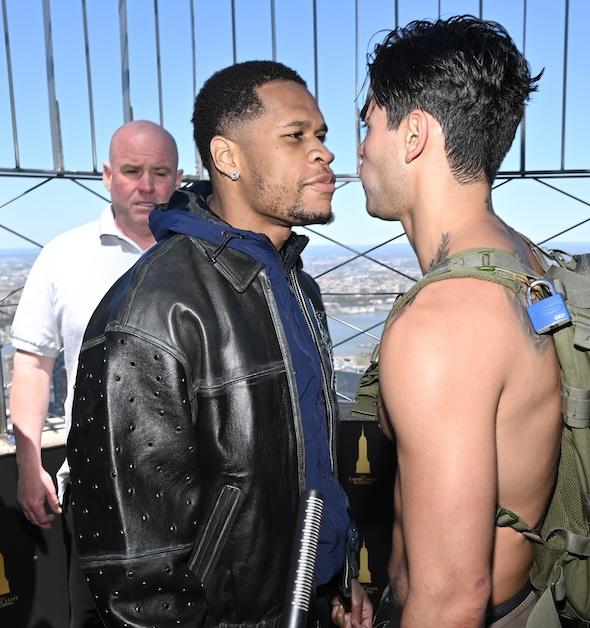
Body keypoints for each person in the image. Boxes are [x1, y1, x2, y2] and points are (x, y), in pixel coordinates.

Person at [66, 60, 372, 627]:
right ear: (227, 157)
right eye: (296, 136)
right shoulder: (151, 309)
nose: (324, 152)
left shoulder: (296, 285)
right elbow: (135, 565)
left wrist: (337, 576)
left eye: (322, 136)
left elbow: (312, 462)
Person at [356, 17, 560, 628]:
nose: (359, 149)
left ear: (413, 133)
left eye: (368, 124)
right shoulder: (524, 261)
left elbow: (451, 596)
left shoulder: (444, 322)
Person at [9, 120, 182, 627]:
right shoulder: (64, 257)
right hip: (97, 495)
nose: (146, 186)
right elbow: (33, 364)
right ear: (107, 175)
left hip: (194, 497)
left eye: (160, 172)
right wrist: (27, 464)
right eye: (132, 171)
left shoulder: (203, 256)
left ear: (178, 177)